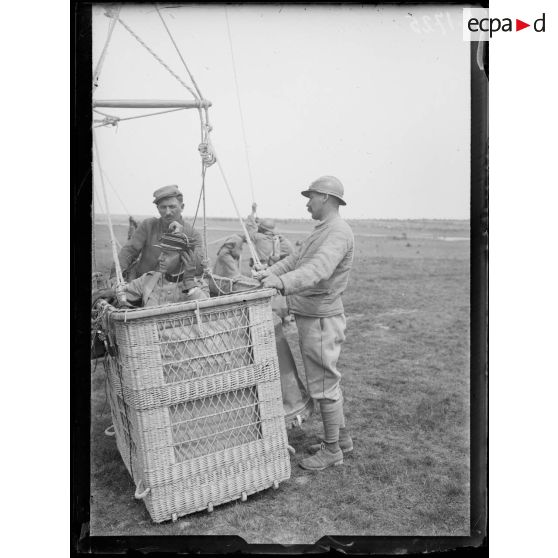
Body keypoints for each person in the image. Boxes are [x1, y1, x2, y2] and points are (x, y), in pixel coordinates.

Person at [255, 176, 354, 471]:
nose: (307, 202)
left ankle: (332, 449)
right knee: (325, 381)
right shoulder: (322, 230)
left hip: (322, 319)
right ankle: (342, 439)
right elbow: (295, 260)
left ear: (324, 197)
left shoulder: (338, 232)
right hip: (312, 315)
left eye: (310, 197)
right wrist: (268, 275)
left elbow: (318, 269)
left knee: (324, 384)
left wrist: (281, 283)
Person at [114, 185, 204, 283]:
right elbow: (129, 251)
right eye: (163, 207)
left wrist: (180, 237)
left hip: (172, 290)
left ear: (182, 207)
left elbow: (199, 268)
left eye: (172, 206)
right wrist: (115, 276)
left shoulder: (192, 234)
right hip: (140, 285)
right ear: (158, 208)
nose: (168, 212)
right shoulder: (148, 225)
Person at [99, 233, 209, 307]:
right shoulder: (147, 280)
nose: (160, 258)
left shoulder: (199, 286)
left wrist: (189, 281)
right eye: (161, 252)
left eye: (166, 254)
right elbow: (120, 295)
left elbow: (206, 312)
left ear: (183, 258)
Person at [245, 203, 293, 268]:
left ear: (262, 229)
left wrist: (253, 212)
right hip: (276, 269)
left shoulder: (259, 238)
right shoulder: (282, 240)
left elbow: (249, 227)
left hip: (261, 268)